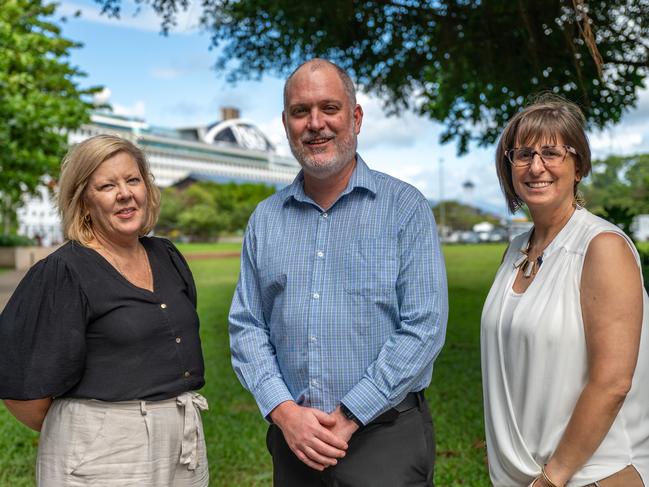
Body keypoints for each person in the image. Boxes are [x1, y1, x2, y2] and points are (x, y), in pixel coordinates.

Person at [229, 58, 448, 486]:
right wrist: (285, 413)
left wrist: (348, 416)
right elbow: (247, 326)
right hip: (294, 441)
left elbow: (424, 326)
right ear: (286, 122)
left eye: (329, 108)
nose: (315, 124)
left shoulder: (404, 207)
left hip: (385, 438)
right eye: (300, 111)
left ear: (356, 117)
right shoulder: (266, 219)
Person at [0, 134, 209, 486]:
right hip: (102, 451)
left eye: (132, 180)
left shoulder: (167, 255)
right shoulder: (63, 271)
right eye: (107, 185)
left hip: (182, 441)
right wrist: (98, 428)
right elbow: (20, 388)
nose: (125, 193)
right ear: (83, 200)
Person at [481, 96, 649, 487]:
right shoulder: (515, 249)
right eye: (523, 154)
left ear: (579, 166)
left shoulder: (601, 246)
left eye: (552, 152)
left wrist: (552, 477)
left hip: (593, 474)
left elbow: (612, 383)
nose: (536, 166)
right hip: (526, 475)